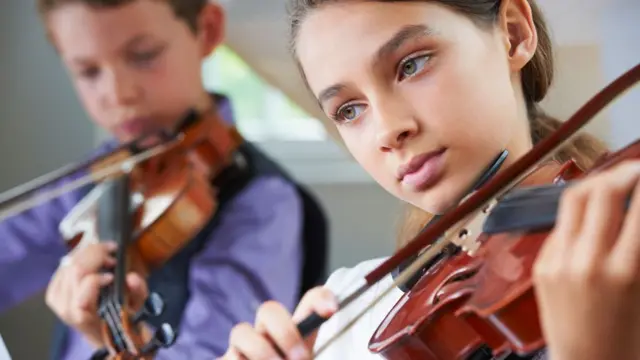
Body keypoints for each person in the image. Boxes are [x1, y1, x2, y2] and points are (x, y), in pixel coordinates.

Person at [218, 0, 640, 359]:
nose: (387, 130)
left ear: (513, 34)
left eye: (412, 65)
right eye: (349, 110)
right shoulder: (355, 314)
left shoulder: (627, 251)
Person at [0, 0, 329, 359]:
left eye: (144, 55)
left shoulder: (260, 202)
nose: (118, 94)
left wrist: (114, 342)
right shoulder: (104, 170)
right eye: (88, 71)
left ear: (208, 30)